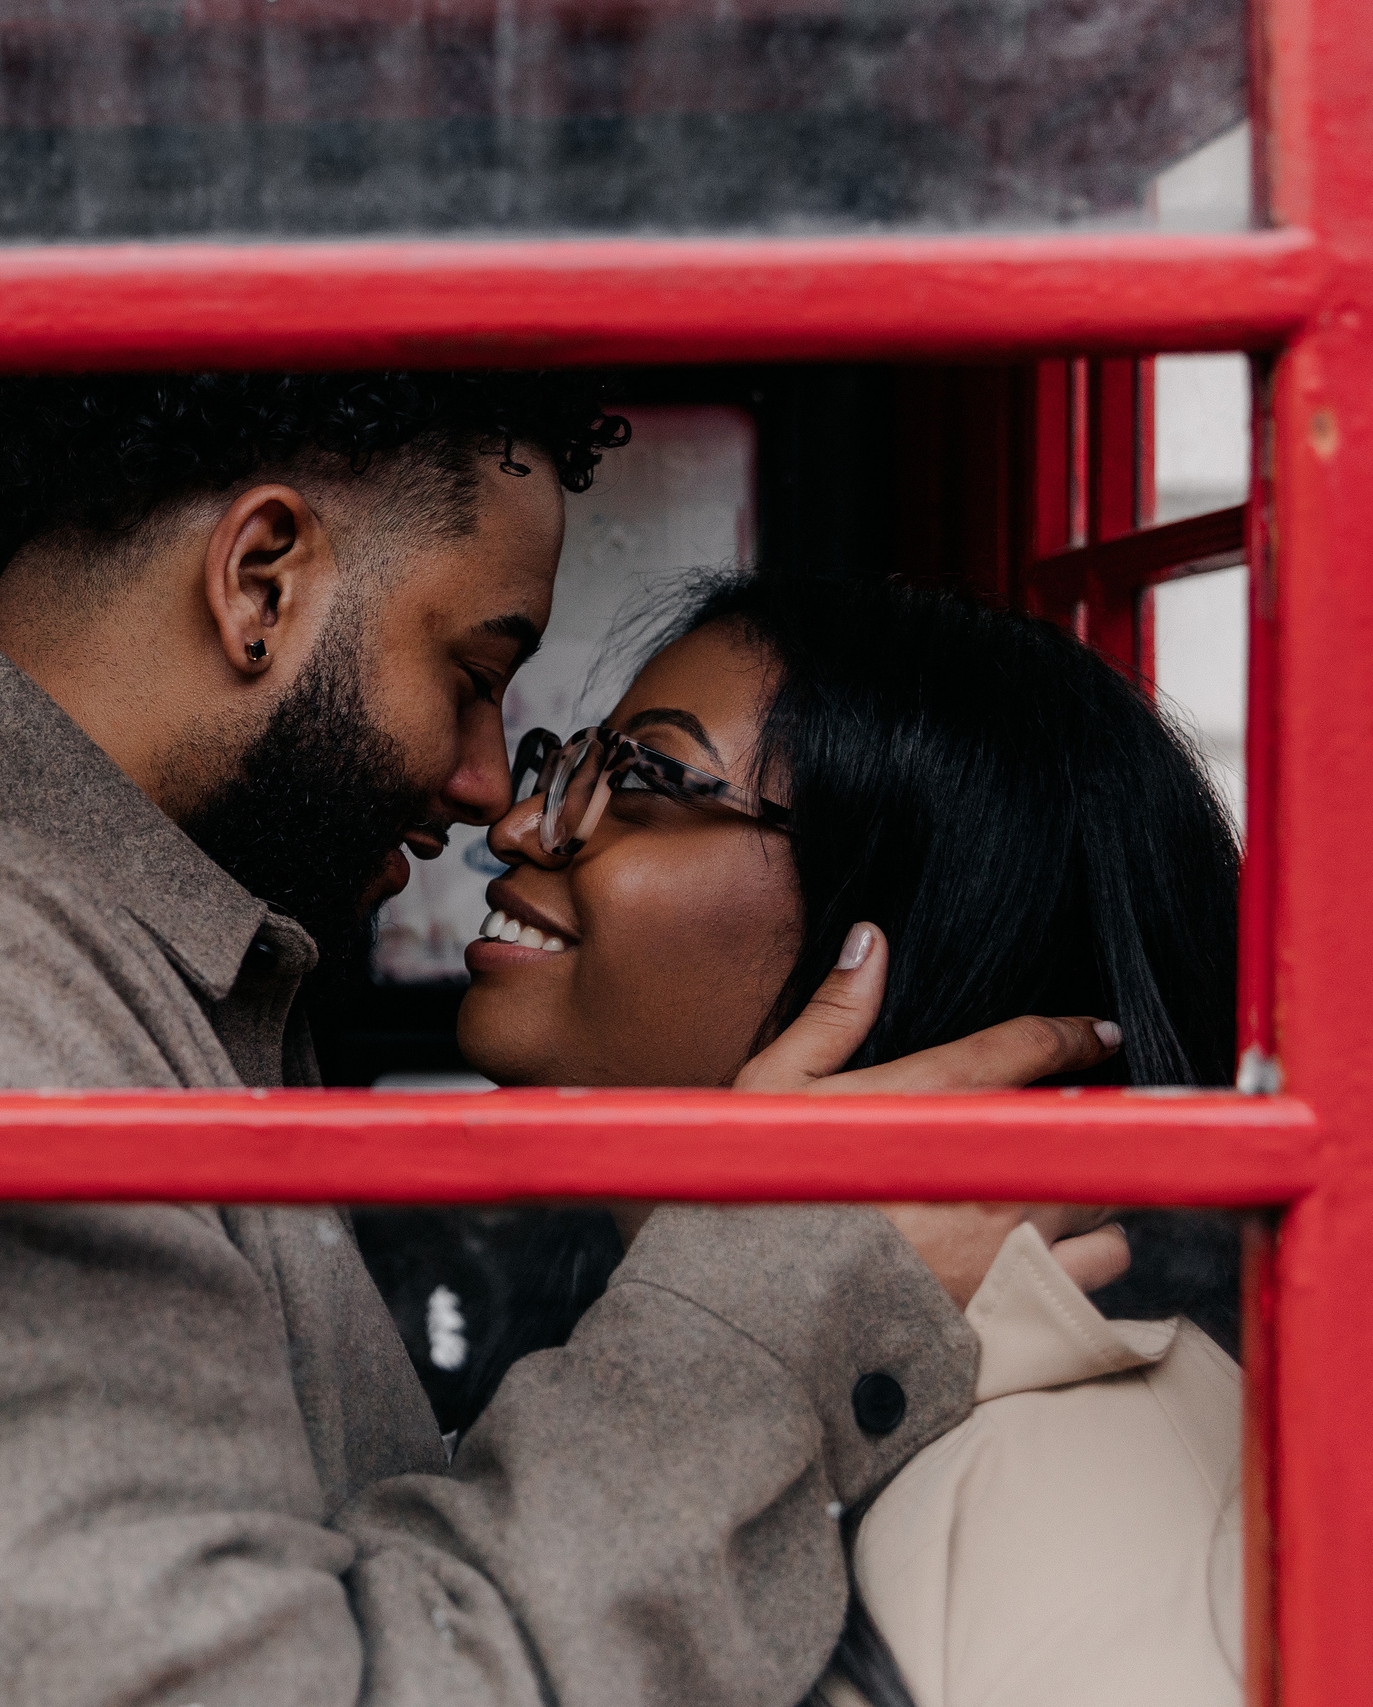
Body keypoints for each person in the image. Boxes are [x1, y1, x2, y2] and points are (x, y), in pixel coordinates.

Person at [0, 372, 1127, 1707]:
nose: (491, 784)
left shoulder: (82, 941)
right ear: (260, 580)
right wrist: (752, 1322)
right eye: (474, 668)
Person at [452, 568, 1244, 1707]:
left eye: (642, 782)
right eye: (572, 767)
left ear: (887, 927)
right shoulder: (621, 1324)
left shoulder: (1065, 1495)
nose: (519, 825)